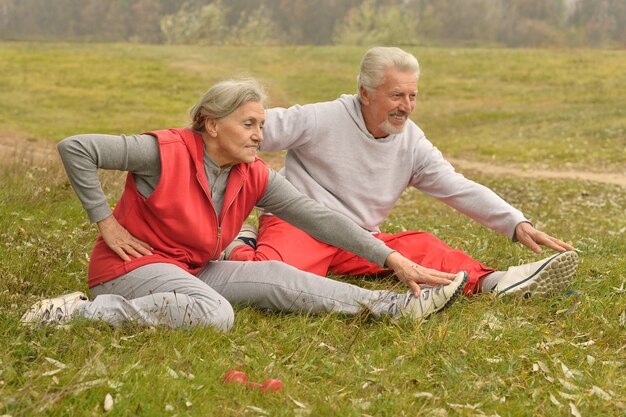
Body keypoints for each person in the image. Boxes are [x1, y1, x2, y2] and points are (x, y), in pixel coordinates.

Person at [21, 78, 469, 331]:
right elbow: (76, 148)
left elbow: (321, 219)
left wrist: (392, 258)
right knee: (216, 314)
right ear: (211, 125)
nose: (259, 135)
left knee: (274, 274)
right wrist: (105, 221)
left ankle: (397, 309)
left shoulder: (252, 174)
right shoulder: (163, 151)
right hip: (129, 271)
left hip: (191, 268)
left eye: (262, 124)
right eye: (249, 124)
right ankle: (76, 313)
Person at [226, 47, 579, 298]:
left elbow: (458, 187)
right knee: (274, 276)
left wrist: (516, 223)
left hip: (359, 238)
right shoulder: (321, 118)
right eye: (397, 95)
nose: (406, 107)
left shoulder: (411, 142)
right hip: (299, 226)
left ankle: (499, 282)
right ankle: (240, 242)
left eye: (412, 96)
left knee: (421, 246)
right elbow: (247, 130)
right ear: (365, 93)